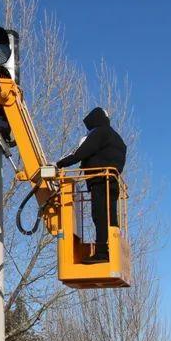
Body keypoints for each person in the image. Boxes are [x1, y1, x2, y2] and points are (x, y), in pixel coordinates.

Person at [55, 108, 127, 262]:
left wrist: (58, 164)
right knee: (111, 218)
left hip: (99, 180)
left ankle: (101, 253)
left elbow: (80, 152)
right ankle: (113, 251)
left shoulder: (100, 132)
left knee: (99, 216)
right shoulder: (118, 139)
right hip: (112, 181)